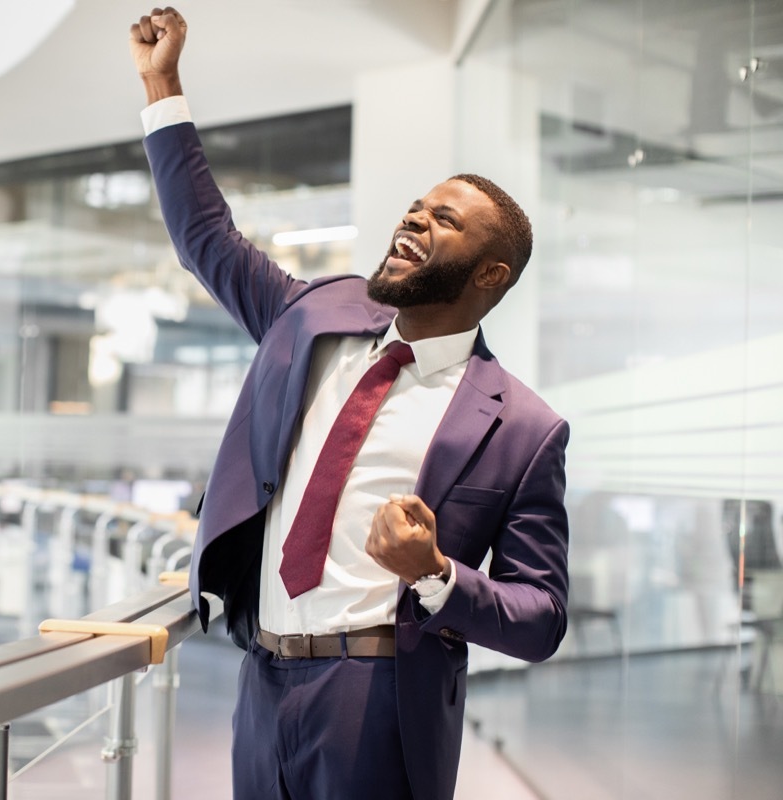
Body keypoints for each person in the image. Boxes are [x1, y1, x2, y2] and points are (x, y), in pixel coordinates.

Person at [128, 8, 569, 800]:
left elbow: (540, 616)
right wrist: (163, 86)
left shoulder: (525, 430)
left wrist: (435, 574)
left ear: (490, 275)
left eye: (444, 220)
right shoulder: (314, 314)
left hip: (377, 704)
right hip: (260, 681)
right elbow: (207, 237)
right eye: (416, 206)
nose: (413, 219)